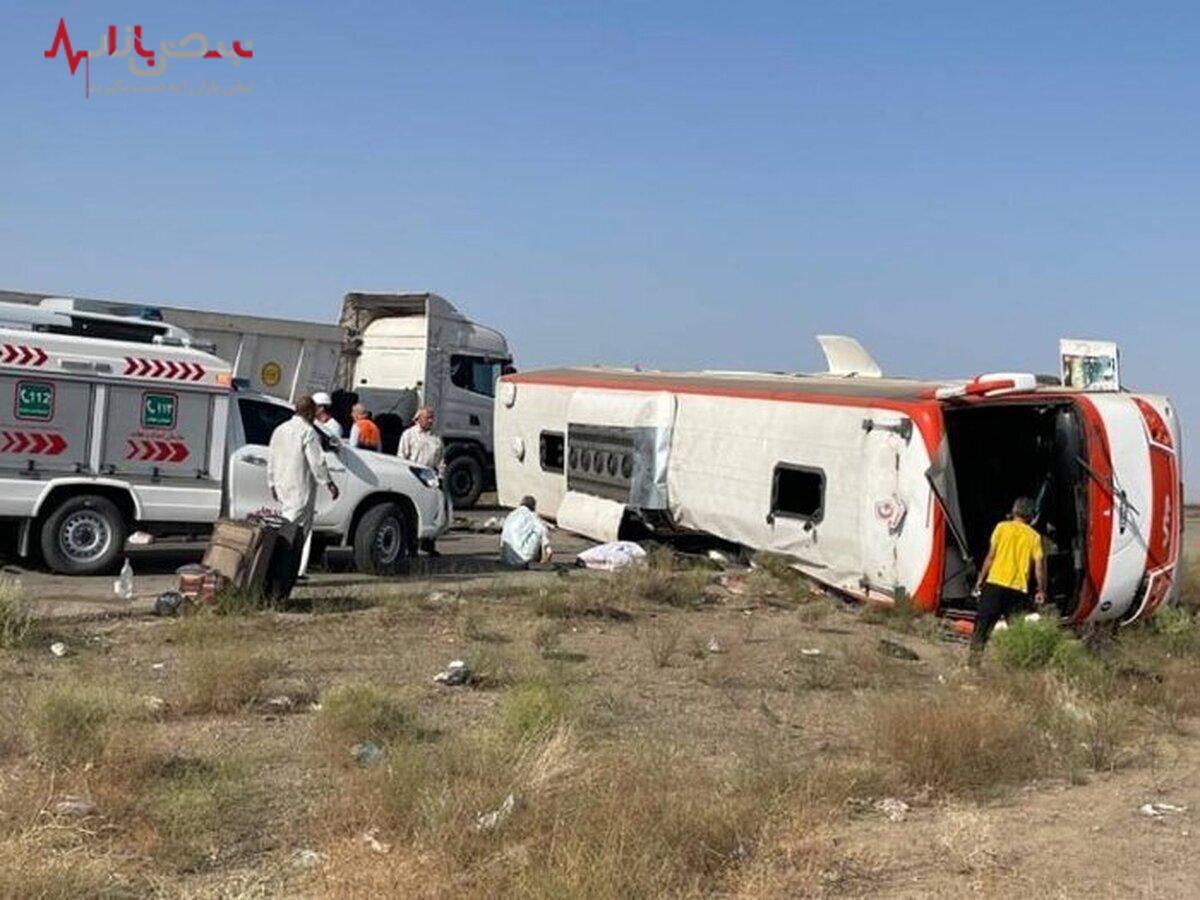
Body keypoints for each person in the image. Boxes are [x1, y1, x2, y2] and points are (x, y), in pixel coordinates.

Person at [267, 396, 340, 582]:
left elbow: (271, 458)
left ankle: (287, 567)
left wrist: (272, 483)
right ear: (309, 411)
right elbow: (317, 461)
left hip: (283, 483)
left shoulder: (279, 429)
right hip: (300, 486)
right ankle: (293, 569)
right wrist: (329, 483)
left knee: (288, 521)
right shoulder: (307, 431)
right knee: (299, 528)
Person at [970, 496, 1047, 655]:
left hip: (994, 584)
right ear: (1031, 516)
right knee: (1016, 633)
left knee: (982, 628)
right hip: (1018, 590)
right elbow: (1038, 568)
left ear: (1014, 511)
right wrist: (1040, 590)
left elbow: (990, 557)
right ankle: (1013, 666)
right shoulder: (1034, 537)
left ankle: (973, 664)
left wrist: (980, 580)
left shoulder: (1001, 528)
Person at [397, 406, 445, 557]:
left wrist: (441, 477)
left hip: (430, 478)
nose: (430, 421)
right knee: (412, 514)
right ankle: (411, 547)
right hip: (413, 476)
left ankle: (429, 544)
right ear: (418, 418)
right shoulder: (409, 435)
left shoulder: (436, 437)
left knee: (430, 512)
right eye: (427, 418)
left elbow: (441, 460)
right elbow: (401, 456)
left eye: (432, 418)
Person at [500, 496, 552, 568]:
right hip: (523, 557)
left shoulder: (511, 514)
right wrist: (548, 548)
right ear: (533, 506)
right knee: (539, 529)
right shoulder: (531, 515)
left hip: (506, 559)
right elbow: (542, 529)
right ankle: (546, 555)